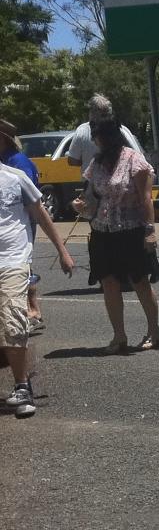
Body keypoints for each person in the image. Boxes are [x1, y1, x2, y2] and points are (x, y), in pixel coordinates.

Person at [74, 117, 159, 353]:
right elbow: (91, 196)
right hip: (102, 231)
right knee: (109, 282)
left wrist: (150, 231)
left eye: (99, 137)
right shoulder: (97, 163)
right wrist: (82, 206)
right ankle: (119, 336)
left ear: (110, 137)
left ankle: (154, 331)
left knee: (140, 282)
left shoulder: (134, 160)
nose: (96, 141)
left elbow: (146, 198)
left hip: (132, 230)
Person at [1, 159, 74, 417]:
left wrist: (62, 251)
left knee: (13, 322)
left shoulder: (16, 178)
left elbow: (41, 214)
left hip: (12, 260)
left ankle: (22, 386)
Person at [0, 119, 45, 333]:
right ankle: (30, 310)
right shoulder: (9, 159)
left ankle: (32, 310)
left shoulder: (17, 162)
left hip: (20, 223)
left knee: (22, 266)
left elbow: (32, 201)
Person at [66, 94, 144, 174]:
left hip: (94, 180)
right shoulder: (121, 129)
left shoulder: (82, 131)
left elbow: (72, 160)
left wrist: (86, 160)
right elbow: (138, 154)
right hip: (120, 179)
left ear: (91, 112)